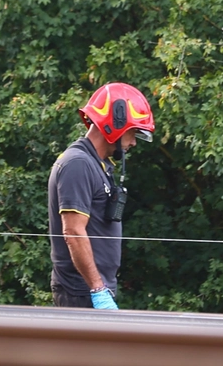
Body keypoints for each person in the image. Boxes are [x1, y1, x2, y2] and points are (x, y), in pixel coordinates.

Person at [49, 83, 154, 310]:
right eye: (133, 132)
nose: (134, 142)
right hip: (81, 293)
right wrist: (98, 290)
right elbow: (73, 231)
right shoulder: (77, 164)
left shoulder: (98, 165)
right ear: (115, 124)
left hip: (93, 291)